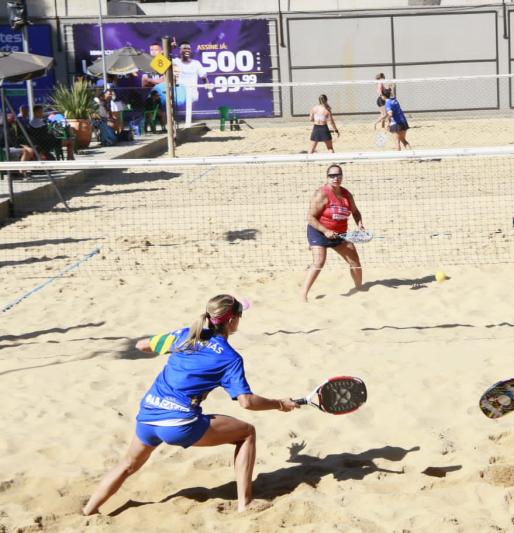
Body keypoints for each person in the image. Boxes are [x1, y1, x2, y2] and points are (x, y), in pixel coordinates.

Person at [81, 295, 298, 516]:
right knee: (247, 433)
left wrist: (171, 347)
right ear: (232, 321)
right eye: (240, 315)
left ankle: (89, 510)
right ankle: (245, 503)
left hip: (148, 414)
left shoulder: (185, 335)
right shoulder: (230, 358)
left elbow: (141, 345)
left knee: (127, 465)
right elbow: (247, 402)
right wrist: (279, 403)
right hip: (179, 424)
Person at [301, 164, 365, 302]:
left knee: (355, 262)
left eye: (338, 175)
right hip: (318, 231)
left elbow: (355, 212)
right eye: (332, 175)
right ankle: (303, 295)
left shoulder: (346, 194)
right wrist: (325, 231)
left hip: (339, 234)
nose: (335, 178)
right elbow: (310, 218)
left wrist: (360, 225)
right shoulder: (322, 194)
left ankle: (360, 289)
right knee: (319, 261)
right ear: (327, 177)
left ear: (342, 176)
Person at [173, 41, 213, 107]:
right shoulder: (175, 61)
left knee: (190, 115)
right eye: (184, 48)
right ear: (180, 50)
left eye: (188, 49)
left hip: (193, 96)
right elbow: (158, 60)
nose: (187, 50)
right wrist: (170, 47)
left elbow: (204, 79)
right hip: (178, 96)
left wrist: (209, 93)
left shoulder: (196, 63)